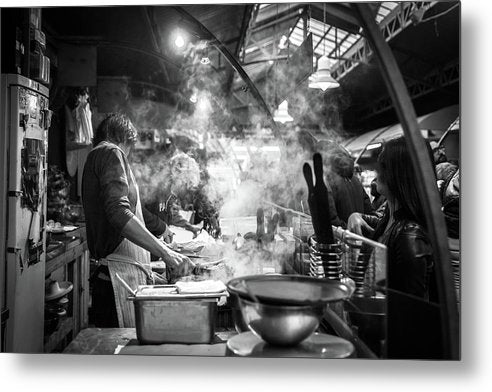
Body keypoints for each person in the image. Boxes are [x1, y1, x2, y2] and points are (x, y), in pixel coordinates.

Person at [82, 113, 194, 328]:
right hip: (115, 279)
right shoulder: (110, 151)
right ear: (123, 137)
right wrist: (166, 252)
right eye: (131, 146)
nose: (129, 154)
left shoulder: (97, 155)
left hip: (114, 277)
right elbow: (119, 212)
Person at [347, 137, 439, 358]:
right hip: (373, 337)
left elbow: (412, 318)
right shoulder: (390, 215)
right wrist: (355, 215)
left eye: (383, 165)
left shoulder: (410, 235)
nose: (376, 171)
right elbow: (377, 227)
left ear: (399, 173)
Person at [143, 152, 203, 238]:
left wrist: (188, 226)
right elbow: (139, 212)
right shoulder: (155, 187)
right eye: (186, 184)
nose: (186, 192)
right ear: (180, 177)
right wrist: (162, 227)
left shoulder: (171, 194)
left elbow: (172, 214)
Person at [324, 142, 374, 225]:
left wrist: (347, 231)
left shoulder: (329, 181)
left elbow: (331, 219)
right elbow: (369, 211)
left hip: (343, 236)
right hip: (360, 234)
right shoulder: (356, 180)